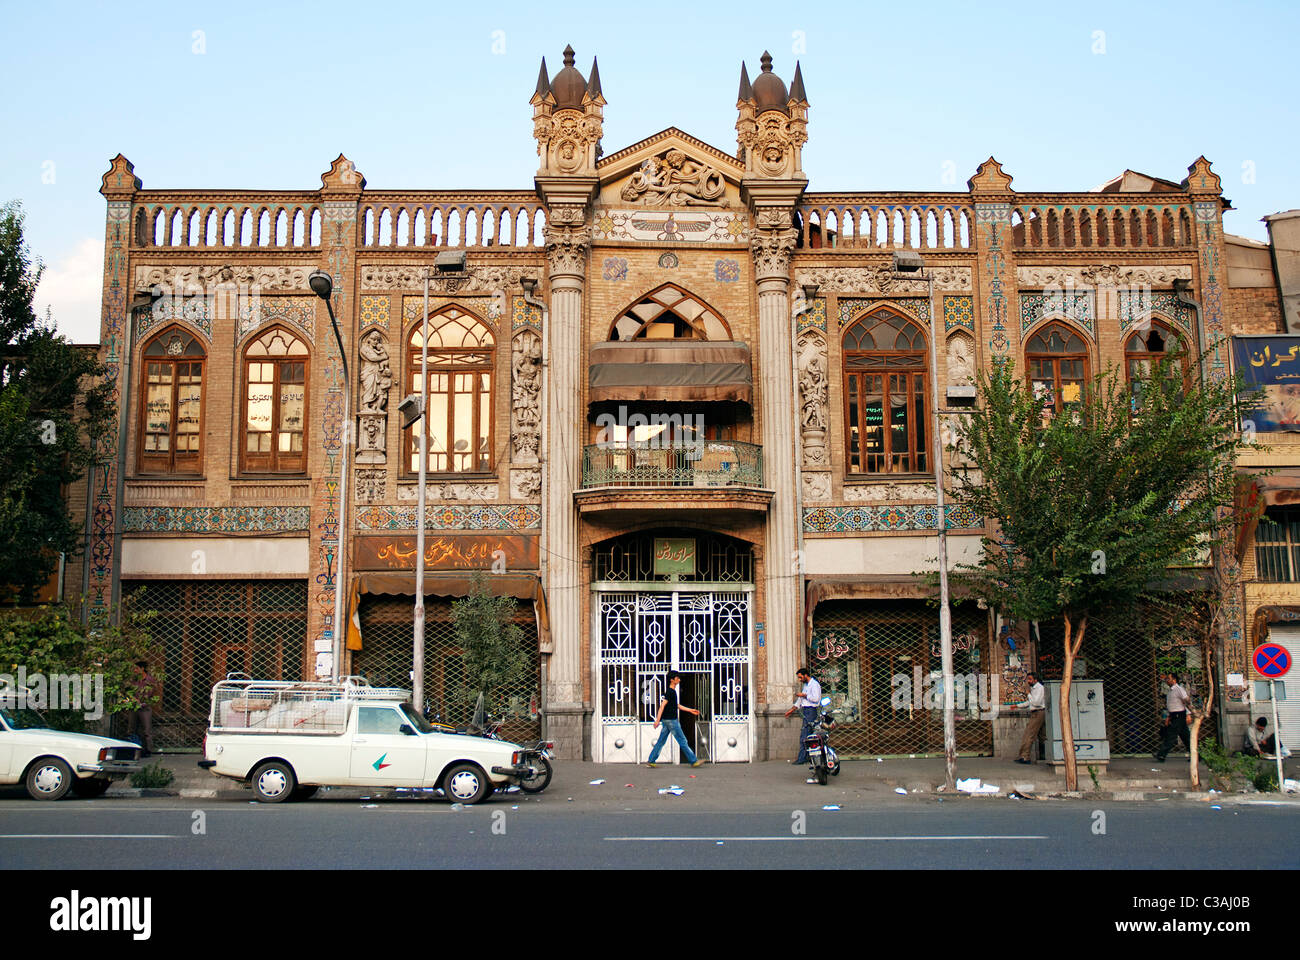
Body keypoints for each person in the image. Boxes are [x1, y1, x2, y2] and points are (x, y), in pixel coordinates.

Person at [646, 671, 705, 768]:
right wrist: (657, 720)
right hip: (671, 721)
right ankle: (693, 761)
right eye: (677, 678)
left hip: (667, 720)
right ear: (672, 680)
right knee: (682, 740)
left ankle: (651, 760)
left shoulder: (672, 692)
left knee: (661, 741)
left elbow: (676, 705)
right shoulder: (670, 692)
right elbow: (662, 706)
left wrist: (690, 710)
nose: (679, 679)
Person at [784, 667, 822, 765]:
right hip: (806, 711)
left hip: (811, 711)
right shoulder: (806, 685)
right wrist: (792, 710)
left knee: (805, 735)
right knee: (807, 735)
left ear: (805, 675)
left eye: (801, 677)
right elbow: (800, 701)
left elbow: (816, 698)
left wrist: (804, 695)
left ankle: (802, 758)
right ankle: (808, 757)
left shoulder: (814, 684)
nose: (800, 680)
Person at [1154, 672, 1192, 762]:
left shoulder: (1179, 689)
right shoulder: (1171, 691)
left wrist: (1188, 714)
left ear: (1174, 680)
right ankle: (1197, 755)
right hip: (1175, 715)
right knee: (1186, 737)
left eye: (1169, 679)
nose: (1167, 680)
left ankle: (1161, 754)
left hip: (1179, 715)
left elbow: (1186, 700)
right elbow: (1172, 705)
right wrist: (1169, 716)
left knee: (1171, 735)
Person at [129, 660, 161, 757]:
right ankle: (132, 749)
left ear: (142, 668)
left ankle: (148, 750)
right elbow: (129, 690)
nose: (135, 670)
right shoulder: (134, 679)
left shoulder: (149, 679)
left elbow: (151, 693)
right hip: (133, 706)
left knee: (147, 730)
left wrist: (142, 702)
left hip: (145, 707)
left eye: (136, 668)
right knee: (131, 728)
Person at [1014, 672, 1047, 764]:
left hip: (1038, 713)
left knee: (1029, 734)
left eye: (1030, 679)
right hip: (1038, 712)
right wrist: (1018, 705)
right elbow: (1030, 702)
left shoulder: (1039, 688)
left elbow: (1036, 703)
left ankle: (1025, 757)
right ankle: (1042, 756)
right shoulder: (1034, 688)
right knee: (1042, 735)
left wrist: (1028, 694)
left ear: (1035, 680)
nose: (1028, 681)